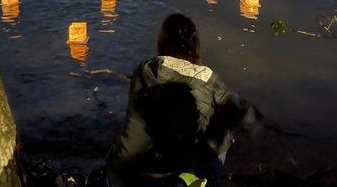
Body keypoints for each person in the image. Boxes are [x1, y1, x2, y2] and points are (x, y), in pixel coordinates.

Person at [103, 13, 262, 187]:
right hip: (175, 177)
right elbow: (246, 114)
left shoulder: (143, 72)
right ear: (194, 45)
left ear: (162, 43)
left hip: (126, 173)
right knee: (222, 135)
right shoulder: (208, 81)